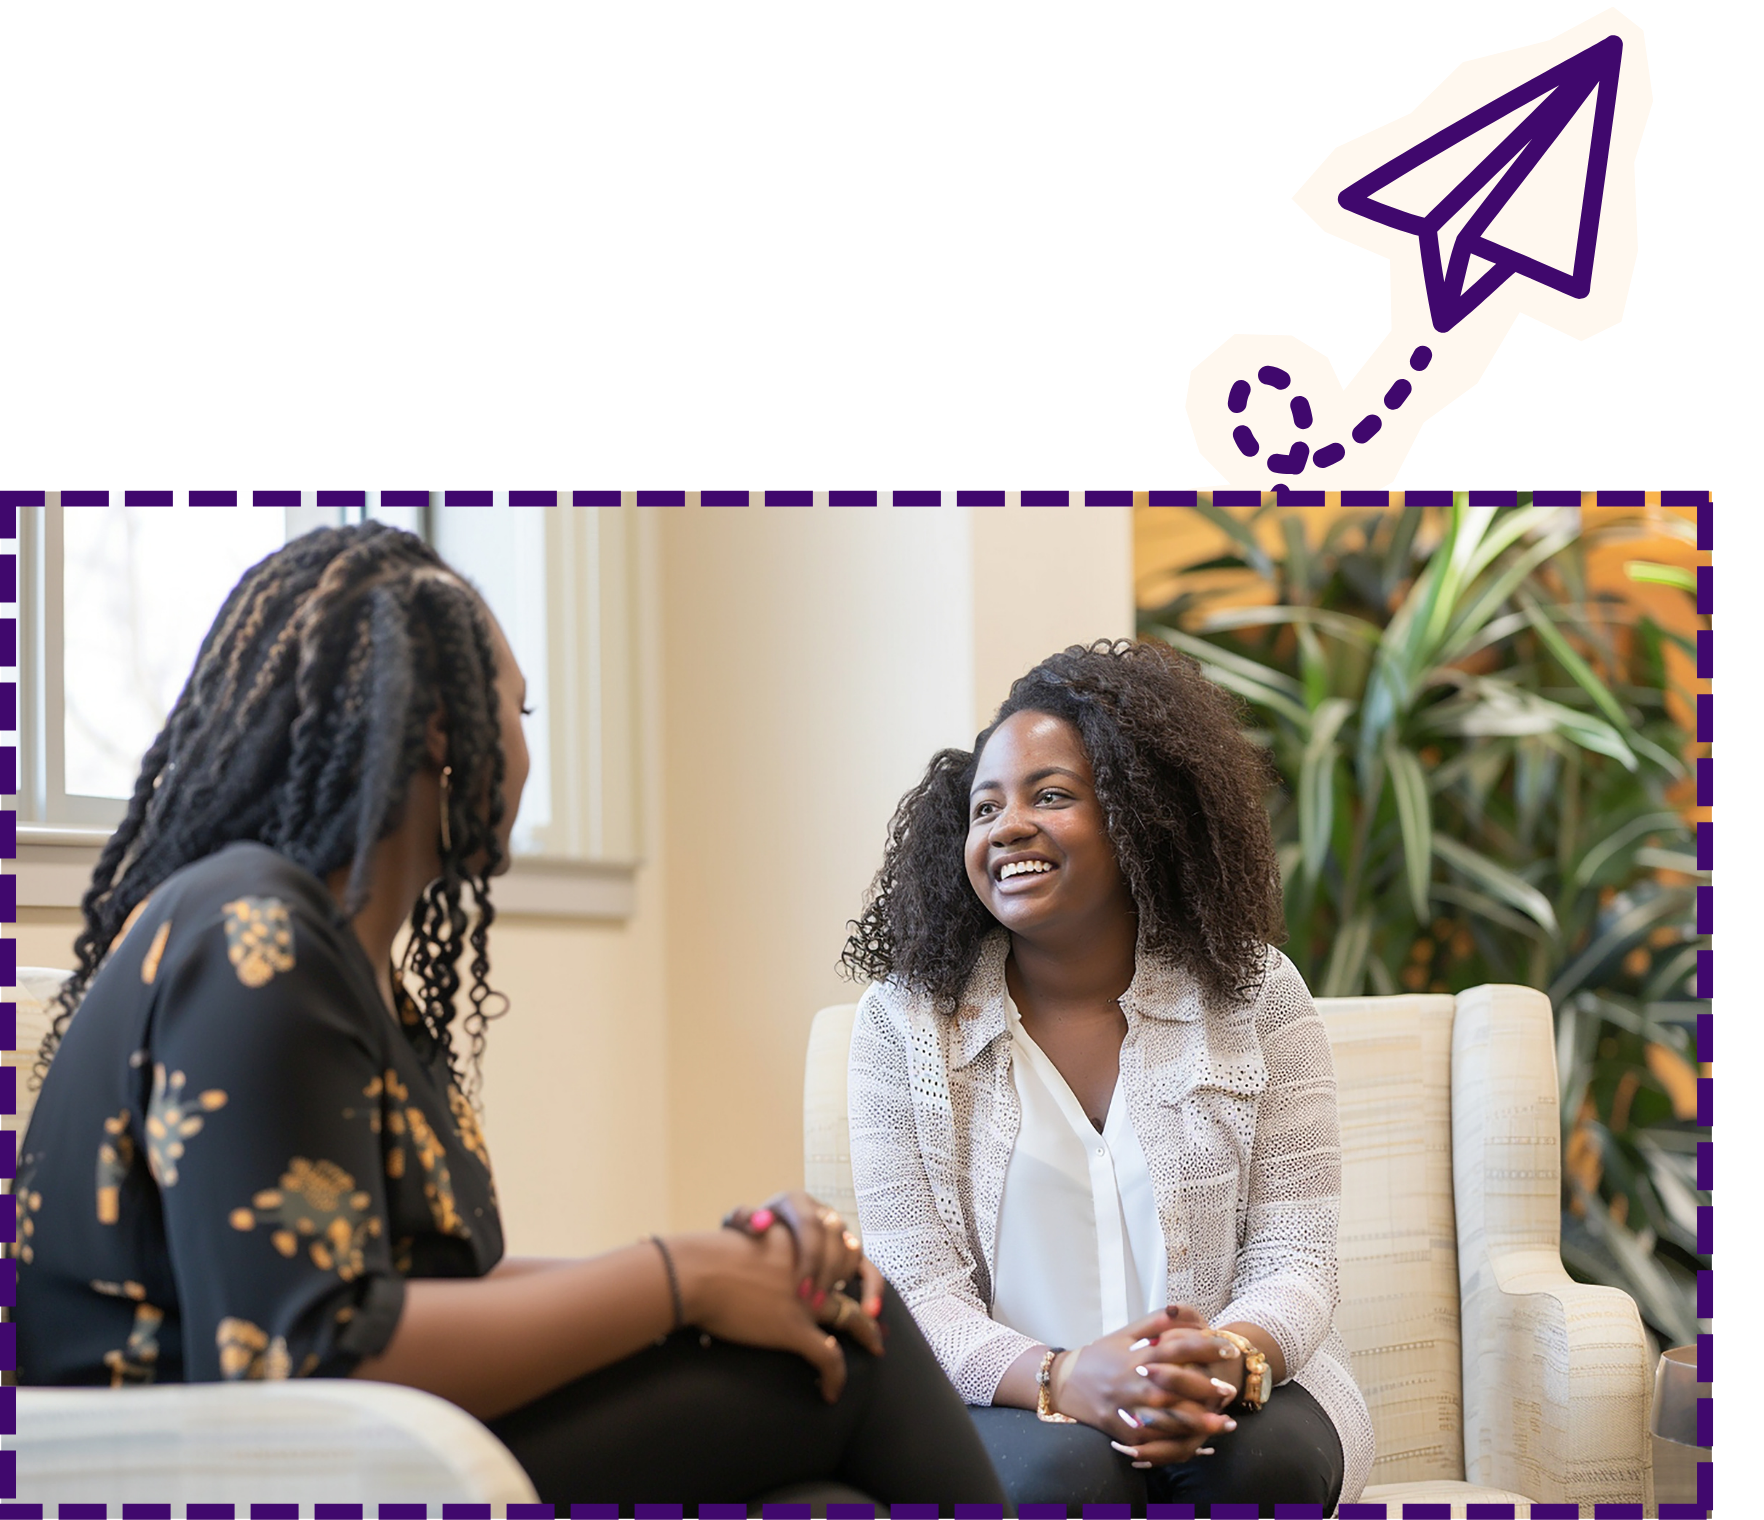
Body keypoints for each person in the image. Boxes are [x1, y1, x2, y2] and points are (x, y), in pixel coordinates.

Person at [16, 520, 1009, 1510]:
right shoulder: (254, 935)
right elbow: (306, 1350)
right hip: (224, 1474)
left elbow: (424, 1286)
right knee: (852, 1334)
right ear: (447, 729)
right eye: (519, 707)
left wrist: (729, 1266)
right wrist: (678, 1277)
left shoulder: (334, 965)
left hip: (352, 1444)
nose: (529, 747)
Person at [841, 639, 1373, 1515]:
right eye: (985, 809)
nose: (1008, 826)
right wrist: (1060, 1378)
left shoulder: (1256, 994)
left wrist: (1228, 1361)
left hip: (1235, 1391)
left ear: (1139, 816)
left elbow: (1299, 1257)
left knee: (1251, 1476)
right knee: (1064, 1483)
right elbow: (917, 1297)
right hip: (1008, 1400)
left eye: (1051, 796)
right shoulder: (903, 1024)